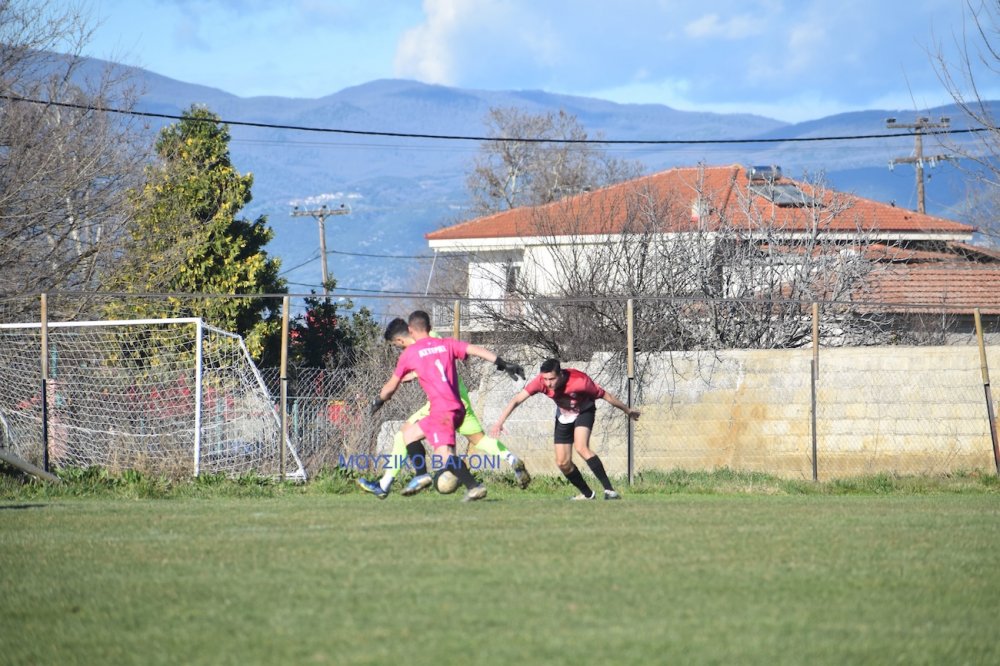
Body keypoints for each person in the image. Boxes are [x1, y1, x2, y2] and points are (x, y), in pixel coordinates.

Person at [357, 318, 531, 499]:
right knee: (478, 440)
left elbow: (423, 364)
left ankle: (395, 482)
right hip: (460, 400)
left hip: (440, 405)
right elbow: (454, 355)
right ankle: (511, 459)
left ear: (409, 332)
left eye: (396, 345)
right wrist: (503, 363)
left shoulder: (415, 348)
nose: (398, 348)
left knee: (408, 437)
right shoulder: (441, 342)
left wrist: (380, 399)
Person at [491, 358, 639, 500]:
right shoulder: (539, 382)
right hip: (564, 415)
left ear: (560, 375)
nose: (548, 383)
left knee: (581, 447)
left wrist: (627, 410)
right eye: (545, 379)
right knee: (562, 462)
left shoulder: (580, 382)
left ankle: (610, 491)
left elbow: (606, 396)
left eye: (552, 379)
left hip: (584, 411)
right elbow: (517, 400)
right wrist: (500, 422)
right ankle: (588, 495)